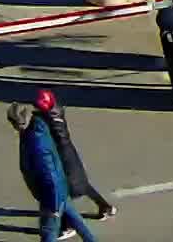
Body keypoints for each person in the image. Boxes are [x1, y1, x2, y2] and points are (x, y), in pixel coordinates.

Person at [8, 104, 97, 242]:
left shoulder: (35, 143)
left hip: (50, 193)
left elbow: (49, 173)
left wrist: (53, 206)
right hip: (56, 189)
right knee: (74, 218)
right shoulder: (36, 129)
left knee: (48, 230)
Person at [35, 89, 114, 220]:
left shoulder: (52, 119)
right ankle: (105, 206)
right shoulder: (55, 111)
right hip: (68, 151)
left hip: (61, 154)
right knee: (82, 182)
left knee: (62, 191)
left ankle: (67, 223)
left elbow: (55, 135)